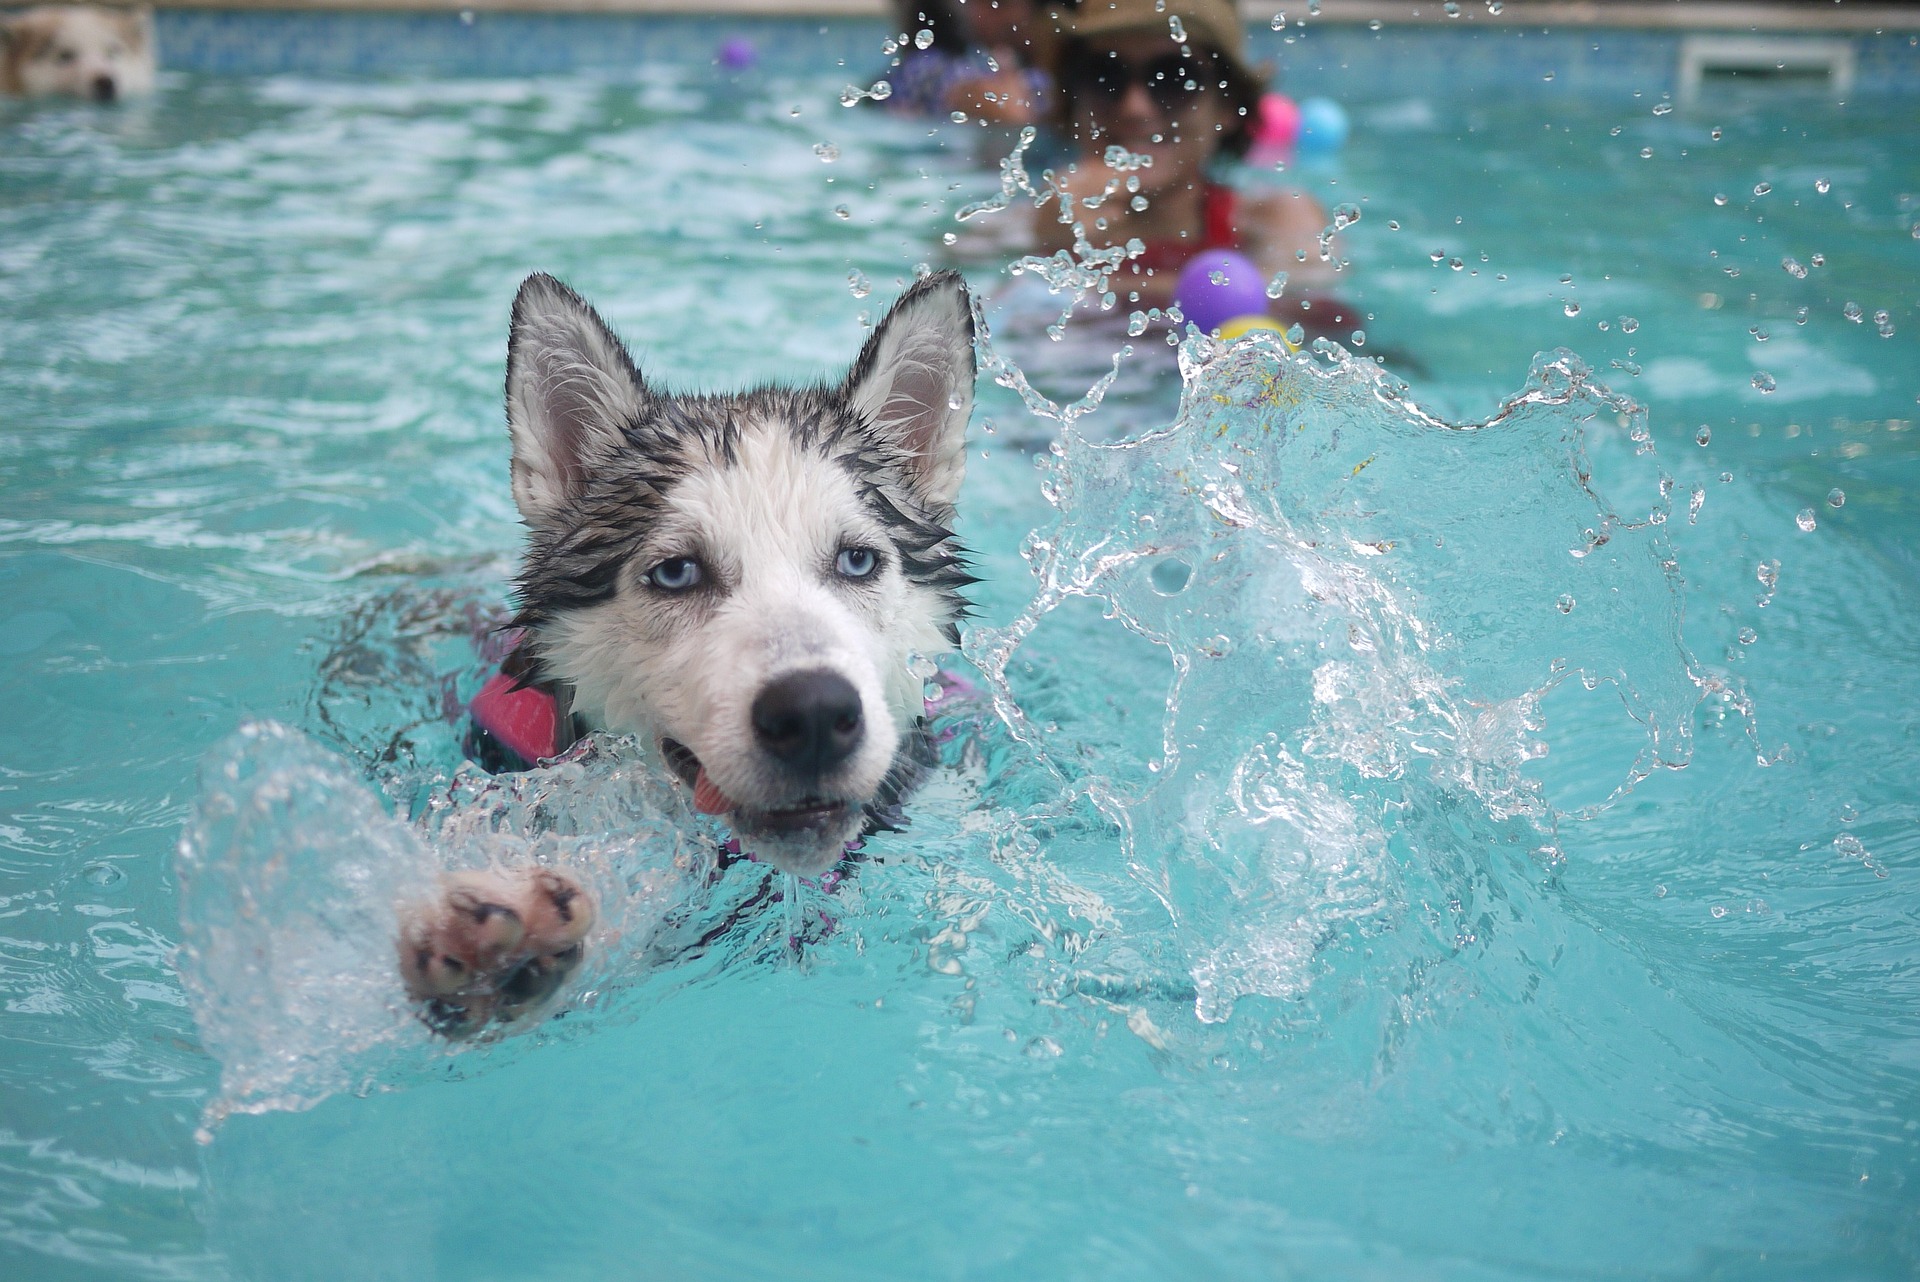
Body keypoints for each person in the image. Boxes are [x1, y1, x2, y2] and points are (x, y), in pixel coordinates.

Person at [1033, 0, 1351, 333]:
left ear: (1227, 108)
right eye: (1105, 76)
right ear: (1073, 102)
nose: (1135, 108)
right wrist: (1049, 248)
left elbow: (1319, 324)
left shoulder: (1273, 223)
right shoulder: (1035, 225)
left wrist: (1070, 282)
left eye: (1173, 77)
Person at [884, 0, 1051, 127]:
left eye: (1001, 4)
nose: (982, 13)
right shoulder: (931, 67)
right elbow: (1011, 112)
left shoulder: (1048, 73)